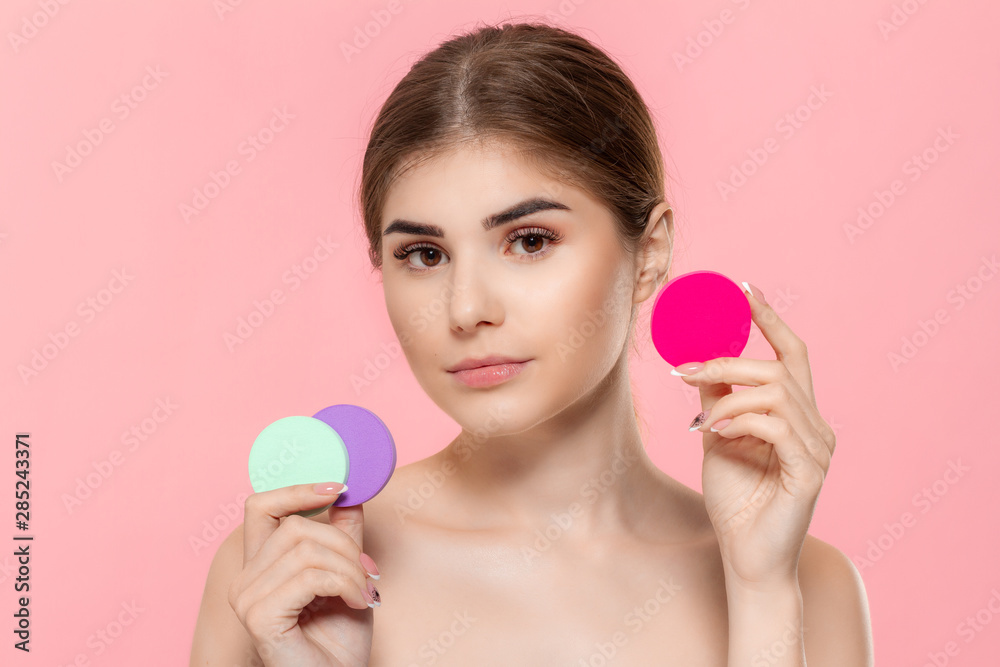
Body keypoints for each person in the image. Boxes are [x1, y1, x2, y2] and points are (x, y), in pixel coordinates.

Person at [191, 20, 873, 666]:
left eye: (529, 241)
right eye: (424, 254)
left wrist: (760, 592)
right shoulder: (288, 575)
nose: (466, 308)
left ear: (650, 254)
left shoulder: (808, 583)